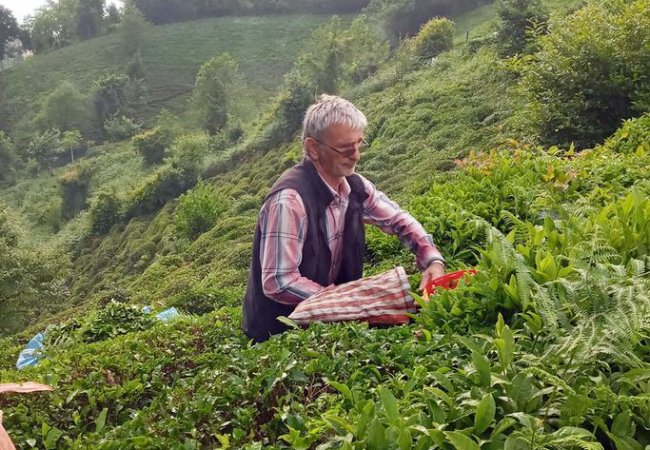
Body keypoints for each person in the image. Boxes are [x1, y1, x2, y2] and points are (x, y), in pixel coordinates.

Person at [242, 94, 445, 343]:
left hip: (331, 325)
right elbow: (278, 281)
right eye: (346, 149)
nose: (357, 155)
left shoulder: (354, 186)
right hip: (280, 334)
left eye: (360, 144)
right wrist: (347, 300)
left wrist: (431, 259)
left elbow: (398, 220)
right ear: (313, 148)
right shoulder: (289, 201)